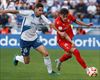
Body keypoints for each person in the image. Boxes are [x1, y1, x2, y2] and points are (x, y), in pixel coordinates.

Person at [0, 3, 55, 74]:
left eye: (42, 11)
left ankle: (50, 72)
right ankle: (17, 58)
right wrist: (5, 11)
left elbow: (50, 24)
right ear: (35, 9)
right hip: (24, 40)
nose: (41, 12)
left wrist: (57, 31)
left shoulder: (42, 17)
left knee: (46, 54)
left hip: (34, 39)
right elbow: (16, 12)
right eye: (40, 10)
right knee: (26, 62)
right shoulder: (29, 13)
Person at [54, 8, 93, 74]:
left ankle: (59, 61)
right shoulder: (58, 22)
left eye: (67, 16)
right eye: (64, 16)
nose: (66, 18)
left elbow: (76, 21)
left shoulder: (69, 15)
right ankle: (87, 69)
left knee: (69, 55)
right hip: (62, 40)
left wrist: (86, 25)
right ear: (60, 15)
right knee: (76, 52)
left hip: (69, 37)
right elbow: (64, 35)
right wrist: (72, 42)